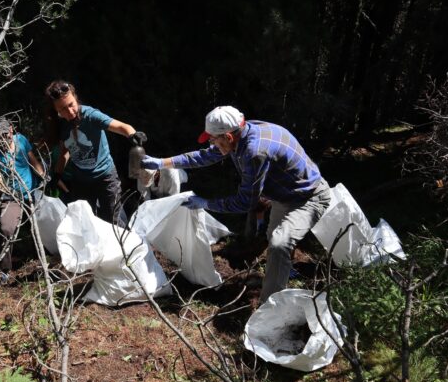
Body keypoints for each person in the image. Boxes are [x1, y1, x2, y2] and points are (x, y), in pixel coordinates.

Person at [141, 106, 331, 302]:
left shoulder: (254, 151)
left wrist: (205, 203)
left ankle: (270, 310)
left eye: (214, 139)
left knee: (279, 243)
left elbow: (245, 202)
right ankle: (282, 273)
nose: (212, 144)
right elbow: (204, 156)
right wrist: (162, 163)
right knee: (273, 238)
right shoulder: (245, 131)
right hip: (285, 193)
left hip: (308, 197)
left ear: (229, 137)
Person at [44, 79, 147, 223]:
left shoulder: (90, 115)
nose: (70, 111)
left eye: (71, 105)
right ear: (56, 110)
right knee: (86, 221)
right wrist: (56, 175)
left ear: (75, 98)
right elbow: (64, 152)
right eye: (62, 109)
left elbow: (120, 126)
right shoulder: (61, 125)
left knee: (112, 220)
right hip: (81, 181)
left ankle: (125, 245)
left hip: (105, 177)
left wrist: (132, 134)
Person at [0, 118, 45, 282]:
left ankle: (45, 262)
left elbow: (32, 160)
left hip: (32, 191)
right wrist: (9, 191)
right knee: (6, 228)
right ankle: (4, 270)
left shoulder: (21, 140)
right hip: (12, 196)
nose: (2, 138)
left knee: (41, 227)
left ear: (11, 130)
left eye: (5, 134)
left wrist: (42, 175)